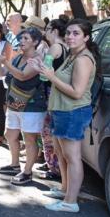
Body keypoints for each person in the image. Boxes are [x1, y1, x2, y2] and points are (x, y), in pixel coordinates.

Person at [36, 19, 98, 213]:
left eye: (76, 33)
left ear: (86, 37)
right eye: (69, 33)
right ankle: (65, 190)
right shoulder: (73, 55)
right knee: (63, 154)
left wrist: (52, 76)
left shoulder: (83, 59)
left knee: (72, 157)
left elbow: (77, 92)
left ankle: (70, 202)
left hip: (73, 111)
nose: (71, 36)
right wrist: (42, 67)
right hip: (62, 111)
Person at [0, 27, 47, 185]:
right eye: (21, 38)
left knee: (29, 139)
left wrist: (5, 62)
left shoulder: (38, 59)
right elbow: (2, 73)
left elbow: (22, 76)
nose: (21, 41)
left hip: (32, 105)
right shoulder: (17, 58)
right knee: (10, 134)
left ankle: (27, 172)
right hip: (15, 103)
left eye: (26, 39)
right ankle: (15, 164)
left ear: (35, 42)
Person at [37, 18, 68, 180]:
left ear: (55, 31)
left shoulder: (54, 47)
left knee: (48, 132)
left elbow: (44, 74)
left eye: (47, 29)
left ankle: (53, 166)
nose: (45, 32)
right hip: (62, 93)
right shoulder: (67, 47)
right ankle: (55, 164)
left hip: (51, 92)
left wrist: (38, 65)